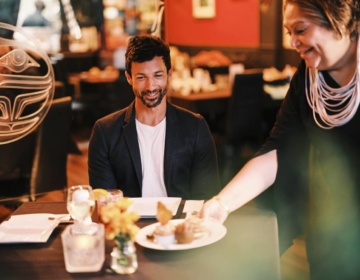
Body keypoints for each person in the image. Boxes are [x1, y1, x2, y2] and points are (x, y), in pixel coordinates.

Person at [201, 1, 360, 279]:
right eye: (288, 32)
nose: (293, 43)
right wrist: (221, 203)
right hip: (330, 231)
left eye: (300, 30)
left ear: (339, 19)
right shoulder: (307, 79)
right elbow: (276, 148)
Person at [88, 35, 221, 200]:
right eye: (141, 77)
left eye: (158, 75)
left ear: (169, 74)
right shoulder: (105, 132)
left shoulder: (195, 127)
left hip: (180, 223)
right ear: (129, 77)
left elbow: (206, 196)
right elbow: (104, 202)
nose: (151, 86)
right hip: (129, 223)